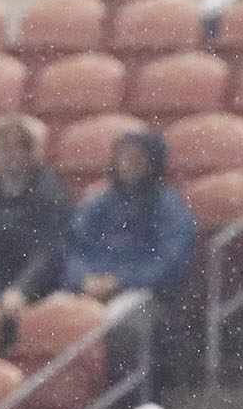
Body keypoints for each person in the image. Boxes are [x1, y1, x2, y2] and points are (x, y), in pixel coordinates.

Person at [0, 117, 70, 325]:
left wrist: (22, 290)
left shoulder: (49, 190)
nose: (8, 156)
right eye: (1, 149)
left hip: (35, 288)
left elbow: (48, 250)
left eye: (15, 149)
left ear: (29, 153)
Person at [65, 129, 195, 305]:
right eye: (123, 157)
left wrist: (120, 281)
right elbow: (72, 246)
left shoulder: (169, 207)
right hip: (89, 286)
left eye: (136, 157)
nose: (128, 163)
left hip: (140, 292)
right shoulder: (100, 202)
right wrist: (82, 278)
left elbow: (169, 263)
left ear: (152, 163)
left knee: (116, 323)